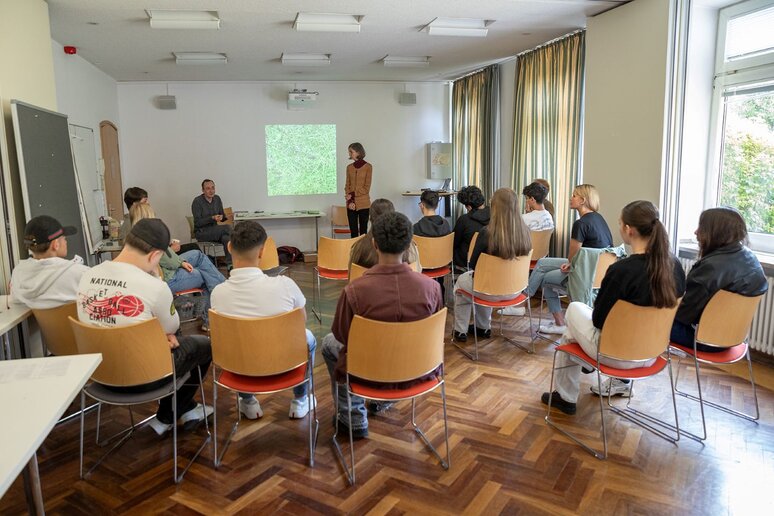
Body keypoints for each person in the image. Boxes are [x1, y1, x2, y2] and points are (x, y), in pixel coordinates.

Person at [542, 200, 686, 414]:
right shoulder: (675, 267)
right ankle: (619, 383)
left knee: (574, 310)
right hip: (651, 353)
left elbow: (599, 321)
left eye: (620, 223)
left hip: (612, 353)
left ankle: (565, 396)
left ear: (629, 230)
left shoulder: (621, 270)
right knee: (574, 328)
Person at [77, 218, 213, 435]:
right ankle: (170, 413)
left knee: (168, 337)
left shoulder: (87, 275)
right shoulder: (154, 286)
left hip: (100, 374)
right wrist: (163, 333)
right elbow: (172, 326)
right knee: (204, 346)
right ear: (155, 255)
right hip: (144, 377)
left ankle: (181, 410)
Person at [322, 212, 444, 439]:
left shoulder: (354, 291)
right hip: (419, 370)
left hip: (367, 373)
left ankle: (353, 417)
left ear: (374, 244)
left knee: (329, 343)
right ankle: (386, 400)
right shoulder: (432, 288)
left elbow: (341, 335)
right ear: (409, 246)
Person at [210, 220, 317, 420]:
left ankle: (248, 402)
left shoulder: (218, 293)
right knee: (308, 338)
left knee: (233, 342)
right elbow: (299, 323)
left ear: (230, 247)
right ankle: (300, 400)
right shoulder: (285, 285)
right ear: (262, 252)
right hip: (284, 365)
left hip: (242, 370)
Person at [670, 207, 767, 352]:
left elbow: (682, 315)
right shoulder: (750, 257)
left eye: (701, 228)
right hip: (734, 337)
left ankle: (638, 361)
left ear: (716, 233)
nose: (696, 232)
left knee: (647, 319)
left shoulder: (710, 268)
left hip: (704, 340)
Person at [527, 184, 613, 334]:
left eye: (574, 195)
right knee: (541, 263)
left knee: (546, 279)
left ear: (582, 200)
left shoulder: (581, 224)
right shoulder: (600, 219)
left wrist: (570, 263)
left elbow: (571, 258)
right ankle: (526, 300)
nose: (570, 198)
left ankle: (525, 301)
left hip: (583, 274)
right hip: (596, 274)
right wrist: (570, 263)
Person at [452, 188, 532, 342]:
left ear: (495, 207)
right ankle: (483, 327)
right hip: (516, 290)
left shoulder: (486, 233)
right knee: (482, 282)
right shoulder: (525, 232)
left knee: (463, 283)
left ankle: (460, 330)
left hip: (490, 289)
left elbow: (475, 265)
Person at [130, 203, 225, 332]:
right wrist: (178, 260)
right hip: (169, 277)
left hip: (164, 273)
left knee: (198, 256)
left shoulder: (134, 236)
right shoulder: (151, 236)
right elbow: (169, 261)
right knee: (205, 274)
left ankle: (221, 288)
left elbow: (165, 256)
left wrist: (172, 252)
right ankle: (218, 301)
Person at [9, 215, 89, 309]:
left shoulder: (18, 273)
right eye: (64, 238)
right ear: (55, 245)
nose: (66, 242)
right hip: (70, 324)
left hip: (42, 324)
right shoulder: (79, 274)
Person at [349, 198, 420, 270]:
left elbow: (352, 277)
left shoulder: (357, 247)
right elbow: (417, 271)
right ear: (393, 216)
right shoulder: (410, 247)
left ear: (370, 218)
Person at [192, 179, 232, 265]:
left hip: (215, 231)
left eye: (213, 188)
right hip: (202, 232)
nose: (211, 191)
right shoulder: (197, 201)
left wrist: (225, 217)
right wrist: (212, 218)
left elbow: (222, 217)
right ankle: (244, 250)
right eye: (208, 188)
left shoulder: (217, 199)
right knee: (228, 228)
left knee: (227, 238)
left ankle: (230, 265)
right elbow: (197, 223)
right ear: (203, 190)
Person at [452, 185, 490, 271]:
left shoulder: (464, 220)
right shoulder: (496, 216)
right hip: (490, 258)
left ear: (469, 207)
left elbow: (454, 242)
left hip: (469, 260)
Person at [344, 142, 372, 237]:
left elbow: (366, 188)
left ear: (358, 152)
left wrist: (352, 194)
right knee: (353, 232)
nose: (349, 154)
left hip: (364, 204)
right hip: (350, 204)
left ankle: (363, 251)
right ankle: (354, 251)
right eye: (349, 152)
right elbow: (347, 185)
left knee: (363, 232)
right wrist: (350, 200)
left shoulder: (368, 167)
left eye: (351, 151)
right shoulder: (349, 167)